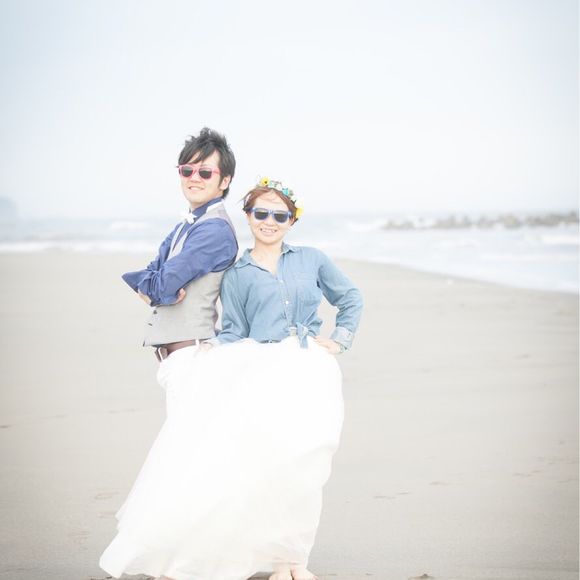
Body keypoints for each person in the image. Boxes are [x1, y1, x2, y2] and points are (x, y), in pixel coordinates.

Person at [99, 177, 363, 580]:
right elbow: (235, 329)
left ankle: (292, 562)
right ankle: (273, 556)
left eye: (280, 215)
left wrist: (340, 339)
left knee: (308, 468)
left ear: (292, 221)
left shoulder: (313, 259)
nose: (269, 221)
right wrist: (212, 353)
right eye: (261, 213)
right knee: (273, 465)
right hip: (264, 371)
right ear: (249, 216)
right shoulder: (237, 272)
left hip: (312, 371)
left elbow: (350, 298)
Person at [120, 127, 238, 364]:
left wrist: (155, 291)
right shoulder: (187, 224)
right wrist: (152, 289)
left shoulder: (214, 230)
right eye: (187, 170)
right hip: (181, 355)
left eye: (205, 172)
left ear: (224, 180)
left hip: (193, 355)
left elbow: (162, 285)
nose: (194, 178)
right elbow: (151, 274)